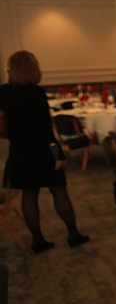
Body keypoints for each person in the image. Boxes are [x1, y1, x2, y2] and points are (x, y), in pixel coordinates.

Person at [0, 51, 89, 253]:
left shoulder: (3, 93)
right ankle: (73, 234)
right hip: (42, 152)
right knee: (59, 191)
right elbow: (45, 130)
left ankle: (38, 240)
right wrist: (57, 154)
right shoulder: (36, 93)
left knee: (29, 196)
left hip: (19, 152)